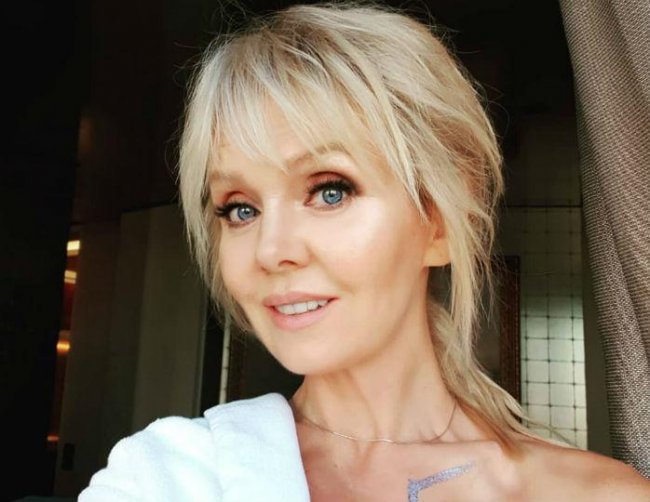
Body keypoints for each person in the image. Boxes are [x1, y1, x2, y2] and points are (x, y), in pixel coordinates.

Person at [80, 3, 650, 500]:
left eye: (329, 191)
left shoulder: (596, 494)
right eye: (240, 209)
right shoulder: (168, 477)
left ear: (438, 222)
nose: (271, 251)